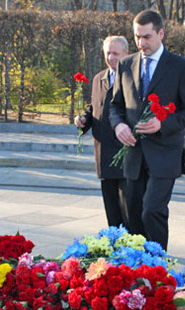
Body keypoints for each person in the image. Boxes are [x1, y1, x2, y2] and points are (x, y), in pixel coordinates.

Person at [110, 9, 185, 249]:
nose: (141, 43)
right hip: (133, 155)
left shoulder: (181, 67)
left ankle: (160, 267)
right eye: (137, 37)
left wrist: (163, 123)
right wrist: (119, 125)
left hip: (164, 155)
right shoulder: (126, 65)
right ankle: (138, 271)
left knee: (152, 210)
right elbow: (115, 106)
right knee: (133, 216)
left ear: (161, 33)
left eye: (147, 36)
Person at [75, 36, 129, 228]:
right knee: (111, 210)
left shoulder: (133, 78)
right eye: (108, 53)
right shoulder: (99, 78)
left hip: (125, 154)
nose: (111, 57)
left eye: (116, 53)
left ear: (126, 54)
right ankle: (114, 244)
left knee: (129, 211)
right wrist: (84, 120)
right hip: (104, 153)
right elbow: (94, 107)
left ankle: (132, 250)